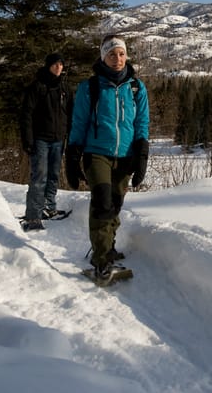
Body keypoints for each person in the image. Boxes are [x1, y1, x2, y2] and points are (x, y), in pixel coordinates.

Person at [66, 34, 150, 282]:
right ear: (103, 56)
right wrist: (72, 156)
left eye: (122, 54)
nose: (117, 59)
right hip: (96, 153)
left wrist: (142, 152)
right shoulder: (90, 87)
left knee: (114, 204)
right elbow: (79, 123)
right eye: (112, 54)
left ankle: (107, 246)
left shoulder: (136, 88)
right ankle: (102, 261)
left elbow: (141, 122)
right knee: (102, 201)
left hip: (125, 155)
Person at [20, 52, 73, 232]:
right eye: (55, 64)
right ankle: (33, 216)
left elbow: (71, 114)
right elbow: (26, 114)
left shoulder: (65, 88)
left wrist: (70, 137)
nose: (58, 67)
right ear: (48, 66)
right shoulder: (37, 86)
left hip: (59, 139)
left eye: (61, 64)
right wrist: (28, 140)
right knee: (39, 177)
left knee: (53, 176)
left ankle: (49, 208)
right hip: (40, 140)